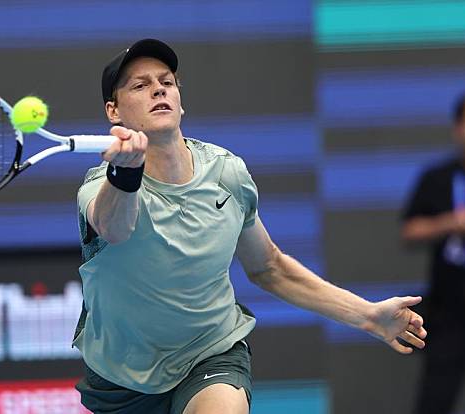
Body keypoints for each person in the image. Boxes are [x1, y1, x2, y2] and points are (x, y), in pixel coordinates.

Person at [73, 38, 427, 414]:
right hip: (121, 379)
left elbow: (270, 267)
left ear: (180, 99)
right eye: (140, 85)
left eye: (167, 82)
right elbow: (115, 227)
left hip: (209, 355)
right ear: (113, 110)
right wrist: (125, 175)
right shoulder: (100, 188)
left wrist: (369, 316)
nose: (159, 88)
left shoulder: (228, 174)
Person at [401, 90, 465, 414]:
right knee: (435, 401)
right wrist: (450, 223)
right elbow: (409, 230)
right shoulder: (437, 178)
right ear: (459, 128)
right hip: (451, 312)